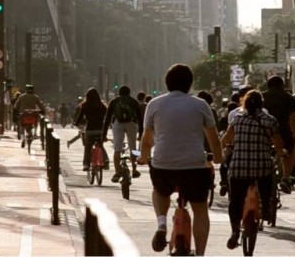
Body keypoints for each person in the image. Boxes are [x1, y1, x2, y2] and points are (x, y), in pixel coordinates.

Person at [137, 64, 223, 255]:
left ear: (167, 83)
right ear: (190, 84)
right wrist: (218, 159)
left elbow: (146, 140)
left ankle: (161, 224)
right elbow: (214, 140)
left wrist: (143, 158)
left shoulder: (154, 104)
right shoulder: (201, 105)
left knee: (160, 191)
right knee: (200, 208)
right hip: (194, 166)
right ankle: (200, 253)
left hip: (163, 165)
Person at [220, 89, 284, 249]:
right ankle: (267, 207)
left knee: (235, 201)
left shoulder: (237, 119)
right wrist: (279, 153)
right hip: (261, 167)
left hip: (239, 167)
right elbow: (278, 144)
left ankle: (235, 231)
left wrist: (226, 147)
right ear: (262, 104)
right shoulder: (270, 120)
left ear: (244, 103)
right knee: (267, 183)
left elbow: (226, 139)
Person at [262, 75, 295, 194]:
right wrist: (294, 133)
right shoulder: (289, 98)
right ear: (282, 85)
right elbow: (292, 118)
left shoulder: (262, 97)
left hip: (264, 132)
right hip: (283, 132)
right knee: (289, 153)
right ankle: (286, 178)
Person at [103, 85, 143, 182]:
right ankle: (134, 170)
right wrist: (141, 133)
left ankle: (117, 172)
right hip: (131, 124)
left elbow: (107, 118)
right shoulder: (133, 101)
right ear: (129, 92)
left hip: (117, 124)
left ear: (119, 93)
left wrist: (103, 135)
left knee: (117, 148)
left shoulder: (114, 101)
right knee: (133, 147)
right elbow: (139, 118)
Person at [73, 88, 110, 171]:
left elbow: (80, 116)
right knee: (100, 145)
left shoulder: (85, 105)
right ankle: (106, 160)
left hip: (90, 129)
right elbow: (107, 116)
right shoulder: (102, 105)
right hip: (100, 129)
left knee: (88, 147)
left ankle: (86, 164)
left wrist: (76, 123)